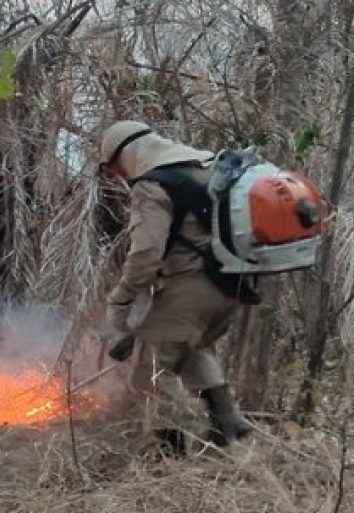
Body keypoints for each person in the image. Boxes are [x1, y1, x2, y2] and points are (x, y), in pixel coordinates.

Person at [97, 120, 253, 453]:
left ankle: (169, 448)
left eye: (115, 168)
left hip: (193, 285)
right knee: (195, 350)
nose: (119, 176)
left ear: (127, 154)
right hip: (234, 285)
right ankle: (229, 427)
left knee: (150, 367)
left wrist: (121, 299)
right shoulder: (208, 167)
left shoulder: (153, 186)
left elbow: (146, 253)